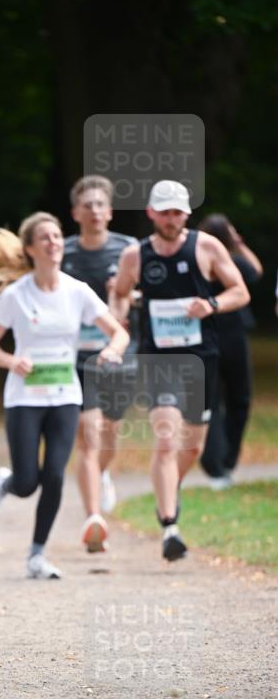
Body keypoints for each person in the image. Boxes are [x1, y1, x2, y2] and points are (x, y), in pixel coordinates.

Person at [0, 212, 129, 578]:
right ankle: (5, 483)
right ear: (30, 248)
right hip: (24, 397)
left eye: (58, 236)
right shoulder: (16, 295)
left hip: (64, 395)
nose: (54, 243)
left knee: (55, 475)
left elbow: (117, 332)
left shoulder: (77, 291)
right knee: (28, 482)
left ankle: (37, 555)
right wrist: (12, 361)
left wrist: (113, 350)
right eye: (45, 238)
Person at [114, 181, 249, 561]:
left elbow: (240, 291)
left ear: (187, 214)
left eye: (178, 212)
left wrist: (211, 304)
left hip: (200, 360)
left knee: (193, 446)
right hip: (158, 360)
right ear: (151, 213)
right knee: (166, 440)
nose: (172, 219)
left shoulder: (206, 247)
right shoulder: (135, 255)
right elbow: (120, 293)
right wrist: (120, 316)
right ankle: (169, 525)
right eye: (165, 212)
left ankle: (169, 492)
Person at [63, 175, 138, 552]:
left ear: (109, 211)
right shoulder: (62, 252)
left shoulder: (129, 250)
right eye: (86, 205)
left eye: (99, 204)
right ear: (76, 212)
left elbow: (142, 291)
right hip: (75, 359)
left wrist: (126, 298)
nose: (94, 210)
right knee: (88, 438)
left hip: (118, 356)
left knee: (109, 433)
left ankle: (103, 474)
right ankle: (94, 517)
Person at [196, 214, 263, 489]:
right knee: (238, 400)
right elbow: (256, 271)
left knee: (211, 403)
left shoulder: (195, 263)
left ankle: (216, 465)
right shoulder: (231, 263)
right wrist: (239, 244)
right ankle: (223, 462)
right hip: (228, 336)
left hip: (205, 336)